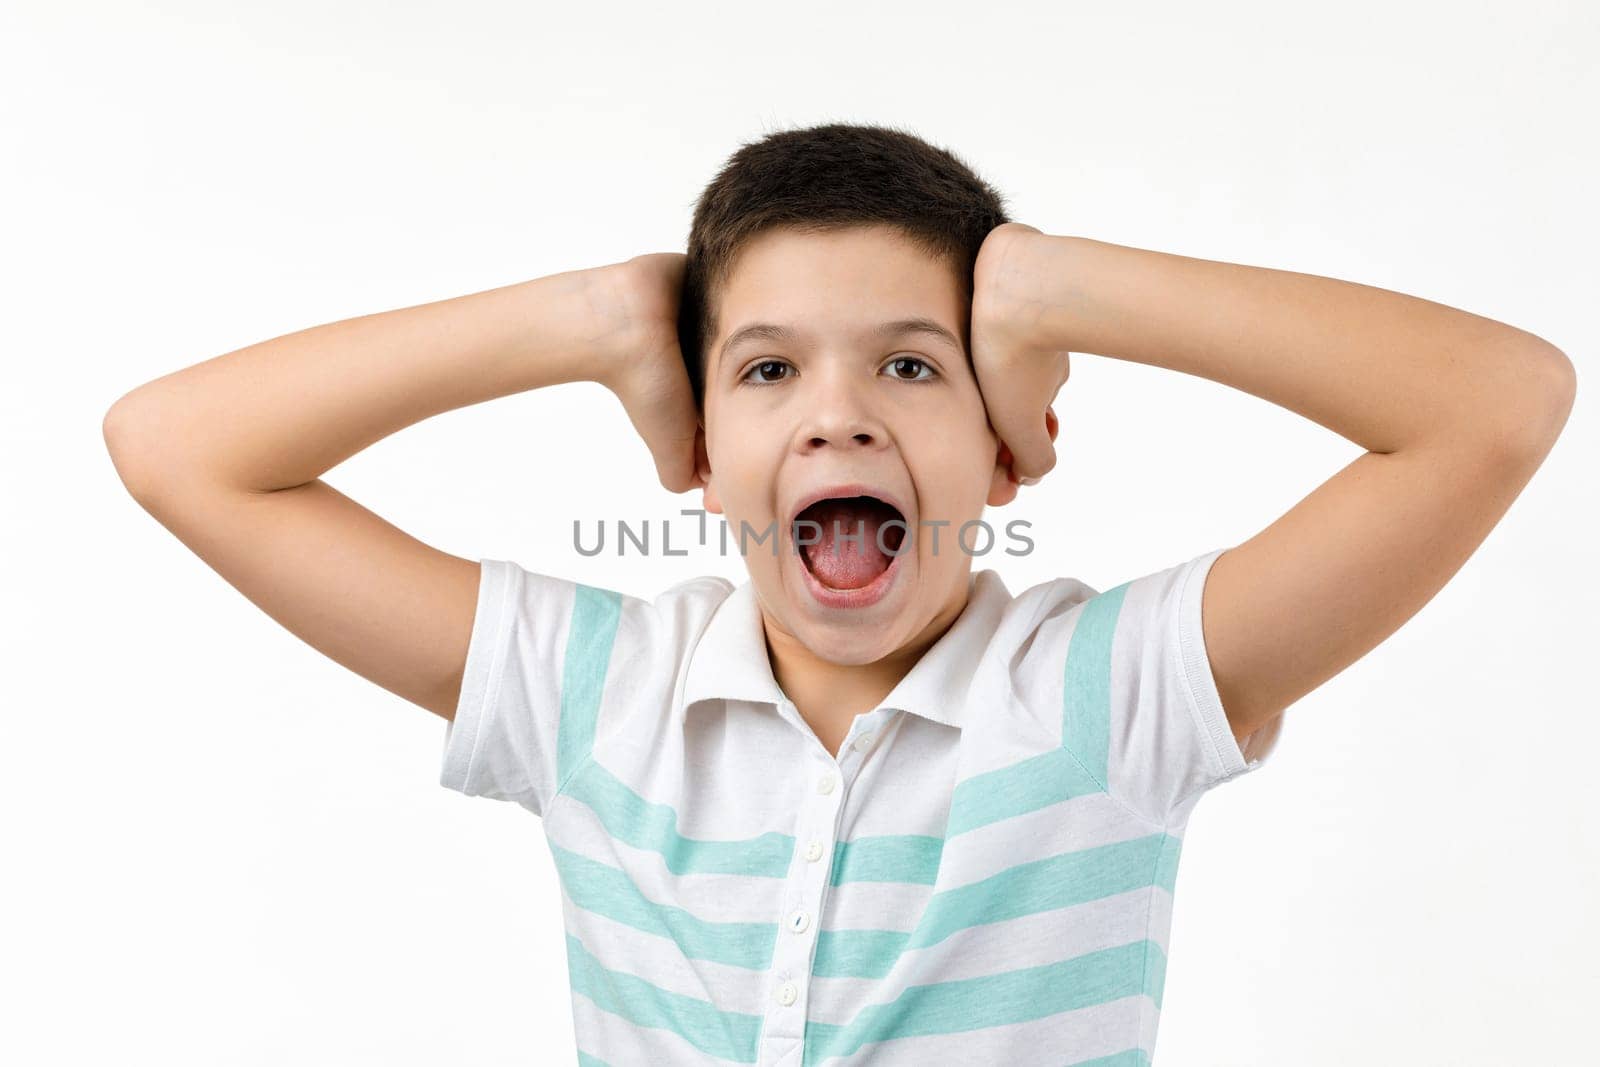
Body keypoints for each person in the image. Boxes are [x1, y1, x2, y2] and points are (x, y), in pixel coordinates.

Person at [103, 121, 1575, 1066]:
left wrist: (1057, 291)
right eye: (764, 369)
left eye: (914, 364)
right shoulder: (595, 690)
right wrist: (599, 318)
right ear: (696, 445)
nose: (839, 416)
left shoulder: (1108, 695)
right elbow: (177, 450)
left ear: (1009, 446)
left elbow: (1498, 405)